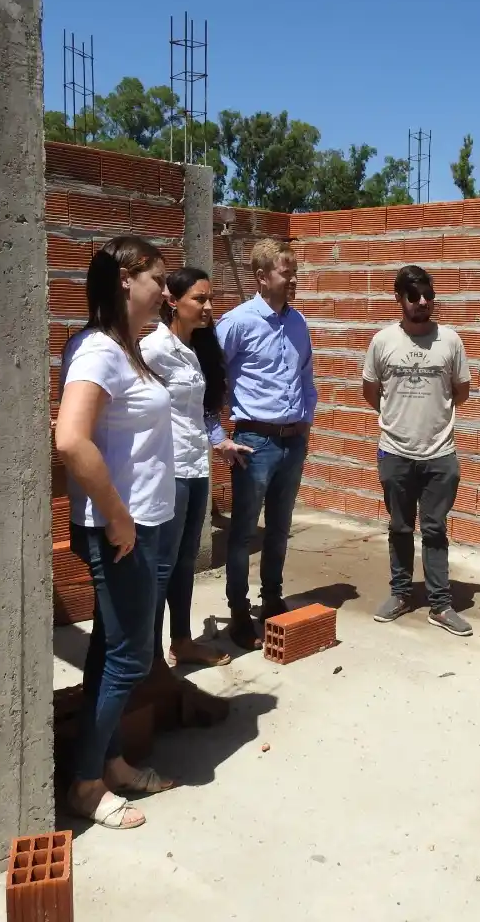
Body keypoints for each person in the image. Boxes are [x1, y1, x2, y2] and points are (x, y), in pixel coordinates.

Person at [55, 236, 177, 830]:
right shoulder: (98, 351)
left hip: (142, 522)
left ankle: (111, 763)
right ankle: (84, 784)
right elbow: (70, 440)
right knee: (130, 658)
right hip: (121, 530)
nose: (166, 291)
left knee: (111, 648)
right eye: (159, 278)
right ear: (126, 279)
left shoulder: (129, 349)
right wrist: (118, 514)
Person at [141, 267, 252, 668]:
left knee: (186, 560)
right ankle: (150, 655)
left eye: (210, 299)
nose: (208, 307)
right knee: (163, 563)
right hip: (165, 471)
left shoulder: (200, 348)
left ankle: (182, 641)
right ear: (173, 301)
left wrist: (219, 441)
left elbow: (201, 412)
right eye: (199, 299)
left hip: (195, 467)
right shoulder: (153, 350)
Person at [215, 238, 317, 650]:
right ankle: (239, 610)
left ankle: (271, 599)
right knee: (242, 533)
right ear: (261, 276)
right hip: (254, 441)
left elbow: (306, 378)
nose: (291, 279)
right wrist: (217, 435)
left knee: (279, 529)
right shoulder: (237, 323)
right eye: (283, 272)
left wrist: (306, 422)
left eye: (293, 272)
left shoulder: (298, 323)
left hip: (293, 442)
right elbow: (209, 378)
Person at [362, 265, 473, 636]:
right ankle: (401, 593)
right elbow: (370, 392)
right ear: (398, 298)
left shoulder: (450, 341)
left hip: (440, 453)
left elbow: (461, 391)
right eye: (414, 296)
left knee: (435, 528)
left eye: (428, 295)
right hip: (394, 451)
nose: (423, 302)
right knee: (399, 526)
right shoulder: (382, 342)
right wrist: (397, 421)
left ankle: (440, 605)